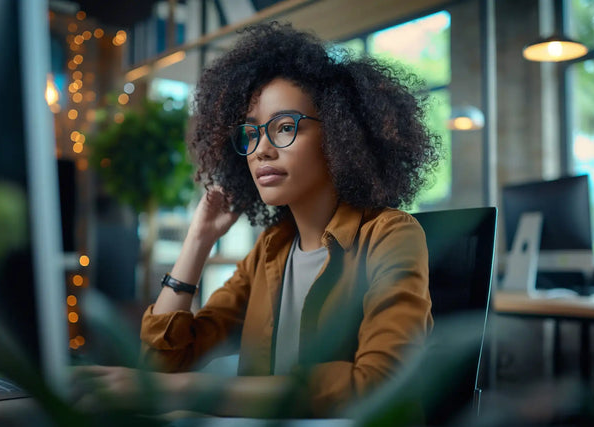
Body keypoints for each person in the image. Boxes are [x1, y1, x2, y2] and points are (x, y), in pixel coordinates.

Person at [75, 21, 440, 419]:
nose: (261, 150)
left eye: (285, 128)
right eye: (251, 134)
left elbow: (378, 382)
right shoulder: (271, 250)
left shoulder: (392, 235)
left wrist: (187, 390)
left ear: (340, 134)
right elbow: (163, 363)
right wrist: (198, 240)